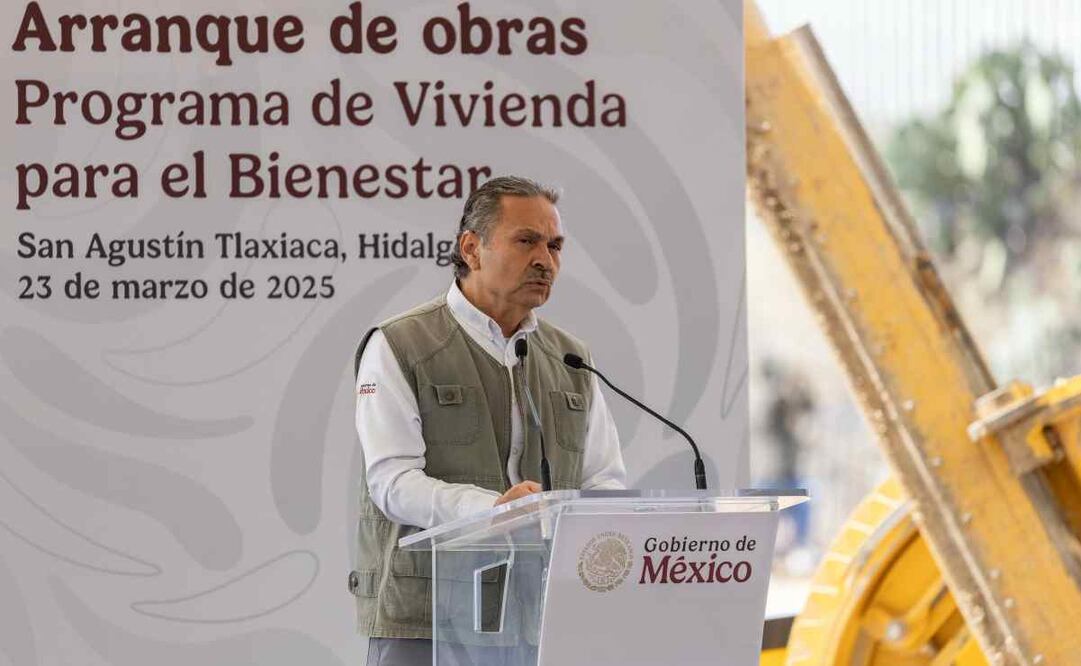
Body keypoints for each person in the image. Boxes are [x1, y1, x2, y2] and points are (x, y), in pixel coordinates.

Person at [349, 176, 627, 665]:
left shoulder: (571, 358)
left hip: (539, 620)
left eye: (555, 245)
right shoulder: (399, 344)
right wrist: (494, 511)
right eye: (527, 241)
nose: (546, 259)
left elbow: (603, 483)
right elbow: (391, 482)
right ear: (472, 248)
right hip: (427, 621)